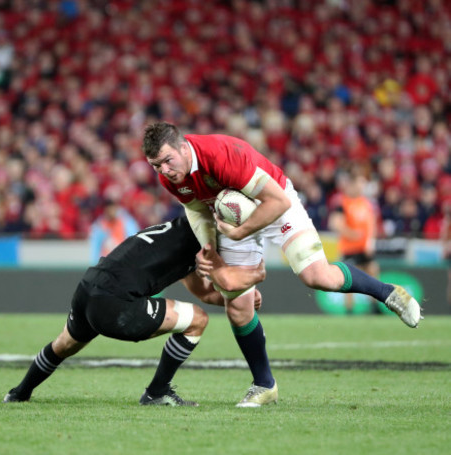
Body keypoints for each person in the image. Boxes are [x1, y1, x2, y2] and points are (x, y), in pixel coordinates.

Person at [142, 121, 422, 407]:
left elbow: (277, 202)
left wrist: (239, 232)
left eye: (167, 160)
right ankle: (264, 385)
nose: (164, 170)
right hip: (231, 216)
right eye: (156, 166)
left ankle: (388, 293)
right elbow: (197, 208)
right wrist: (210, 248)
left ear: (184, 147)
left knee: (317, 276)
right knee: (237, 307)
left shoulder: (221, 155)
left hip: (274, 204)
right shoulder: (170, 178)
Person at [3, 216, 265, 406]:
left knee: (64, 344)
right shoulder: (204, 240)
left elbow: (205, 292)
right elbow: (225, 281)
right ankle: (157, 391)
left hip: (88, 287)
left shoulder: (179, 230)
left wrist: (232, 298)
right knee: (198, 320)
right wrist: (248, 284)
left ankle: (18, 393)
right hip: (115, 302)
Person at [328, 172, 381, 314]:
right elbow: (334, 223)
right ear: (352, 184)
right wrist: (351, 234)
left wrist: (371, 241)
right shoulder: (343, 202)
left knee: (372, 273)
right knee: (350, 279)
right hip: (349, 248)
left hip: (364, 248)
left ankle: (374, 307)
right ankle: (349, 309)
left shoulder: (365, 203)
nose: (362, 186)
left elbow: (372, 224)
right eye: (360, 182)